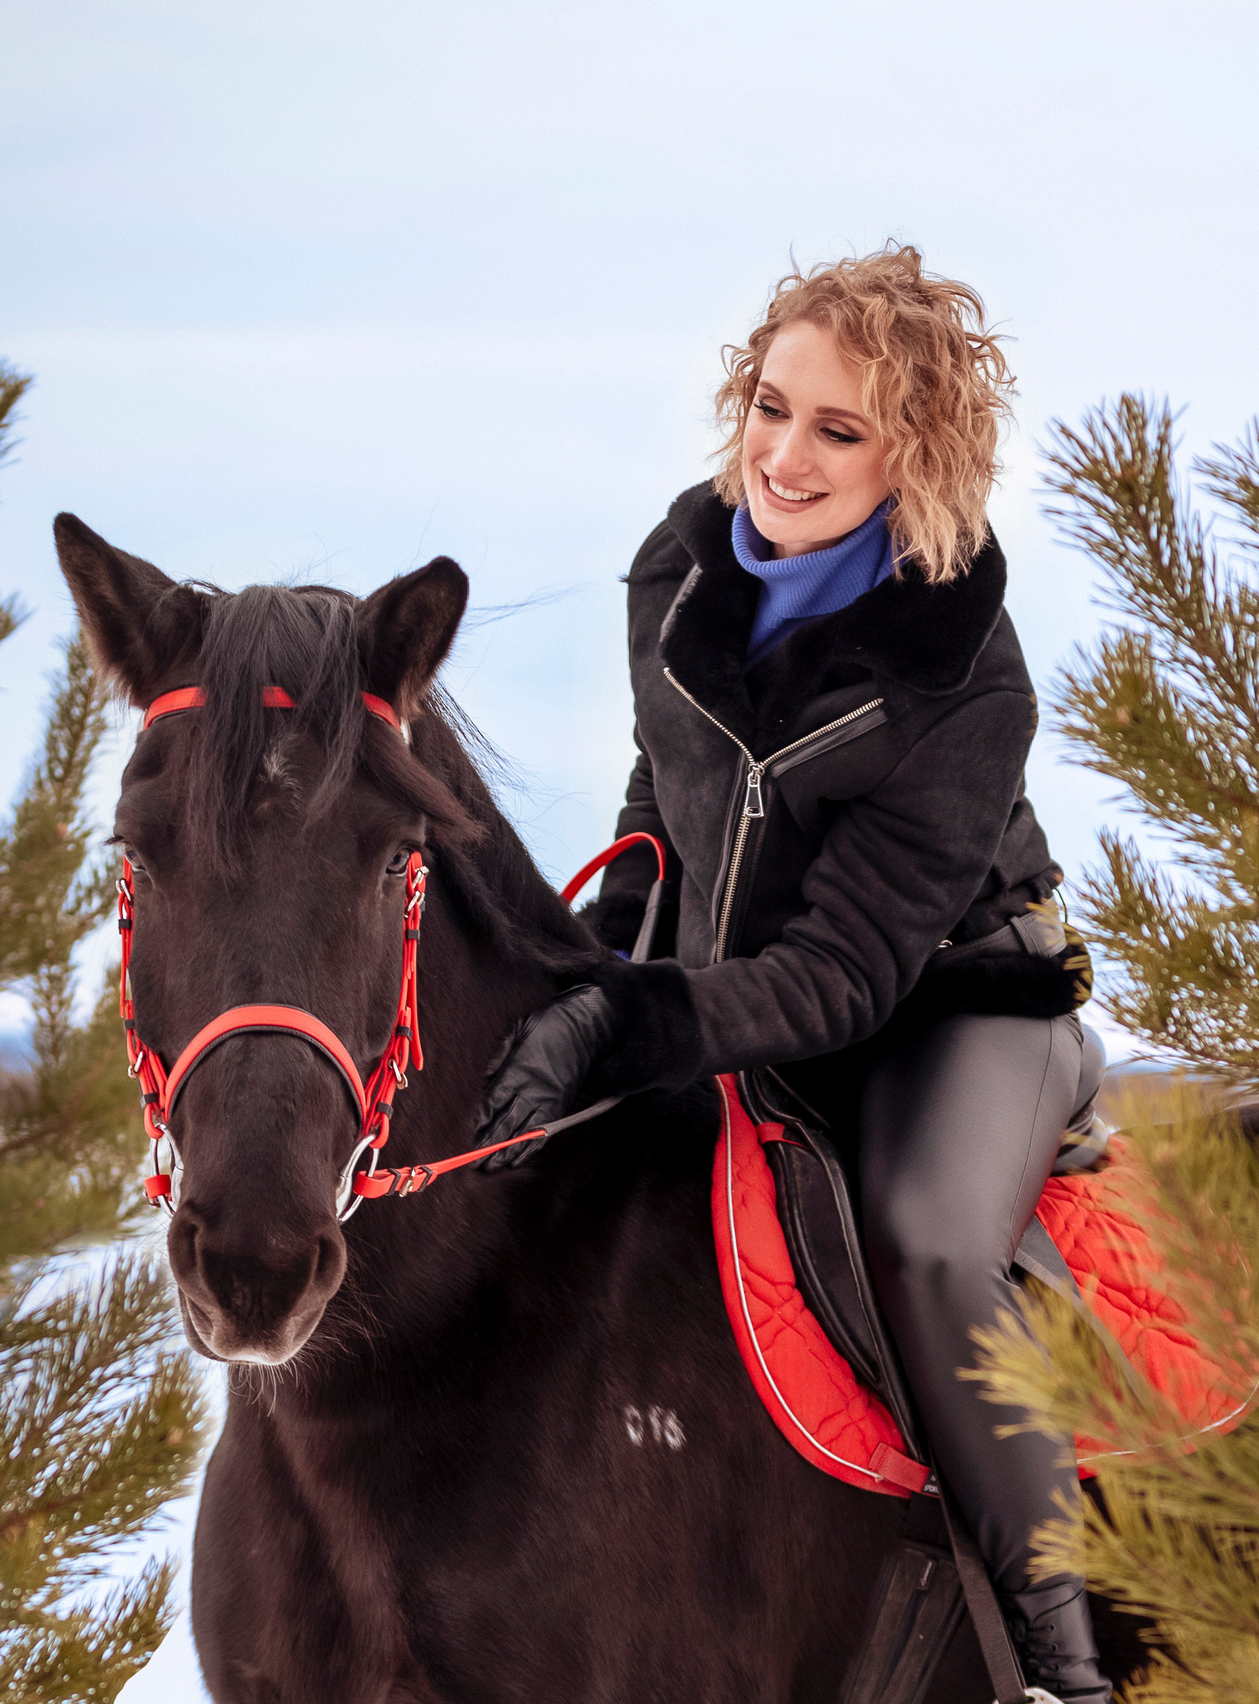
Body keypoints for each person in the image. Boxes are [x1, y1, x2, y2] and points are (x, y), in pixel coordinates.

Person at [474, 245, 1106, 1703]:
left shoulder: (966, 683)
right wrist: (630, 896)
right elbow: (673, 767)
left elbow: (842, 977)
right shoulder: (677, 564)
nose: (786, 454)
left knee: (922, 1237)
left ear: (915, 455)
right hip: (733, 986)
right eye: (772, 407)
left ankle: (1064, 1656)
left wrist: (647, 1019)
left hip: (952, 1006)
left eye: (840, 430)